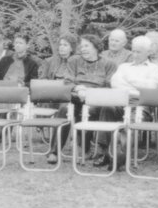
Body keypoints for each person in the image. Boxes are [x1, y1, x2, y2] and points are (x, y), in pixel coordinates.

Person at [50, 34, 117, 165]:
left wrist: (91, 93)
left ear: (96, 47)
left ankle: (86, 149)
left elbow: (110, 86)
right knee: (64, 109)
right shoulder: (74, 61)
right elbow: (67, 81)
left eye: (87, 46)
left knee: (90, 110)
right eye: (81, 47)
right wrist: (77, 88)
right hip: (76, 96)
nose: (83, 49)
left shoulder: (108, 64)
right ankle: (54, 151)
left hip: (97, 99)